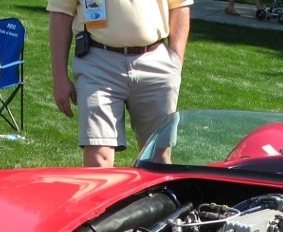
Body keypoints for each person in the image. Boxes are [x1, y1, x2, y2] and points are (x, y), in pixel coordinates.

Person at [48, 0, 191, 168]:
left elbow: (180, 5)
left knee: (157, 159)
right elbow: (61, 14)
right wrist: (59, 77)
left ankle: (154, 195)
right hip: (98, 63)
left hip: (155, 62)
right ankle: (101, 196)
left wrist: (175, 61)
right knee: (98, 160)